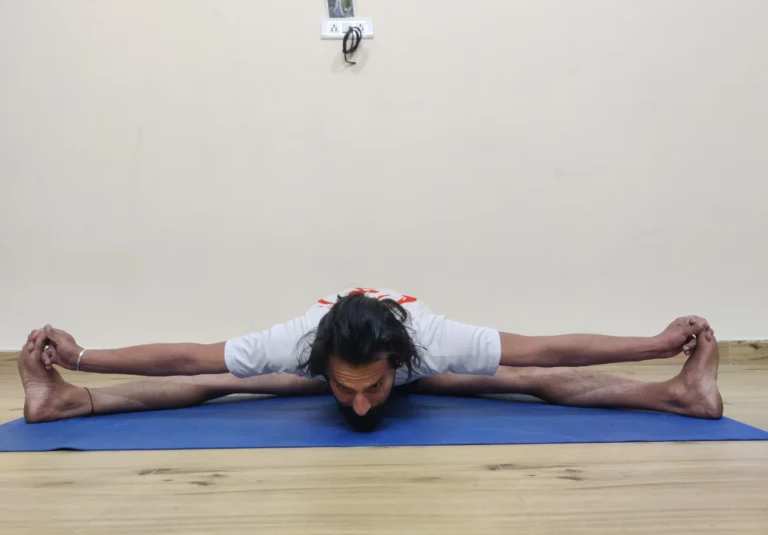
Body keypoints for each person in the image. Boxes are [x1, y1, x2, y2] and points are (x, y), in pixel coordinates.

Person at [18, 287, 723, 431]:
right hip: (308, 356)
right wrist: (82, 357)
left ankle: (681, 394)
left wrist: (658, 345)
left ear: (399, 360)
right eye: (346, 392)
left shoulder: (433, 338)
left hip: (428, 362)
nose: (359, 407)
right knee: (210, 380)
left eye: (374, 389)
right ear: (321, 368)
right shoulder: (295, 344)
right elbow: (184, 357)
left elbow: (549, 348)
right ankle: (62, 401)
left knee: (536, 378)